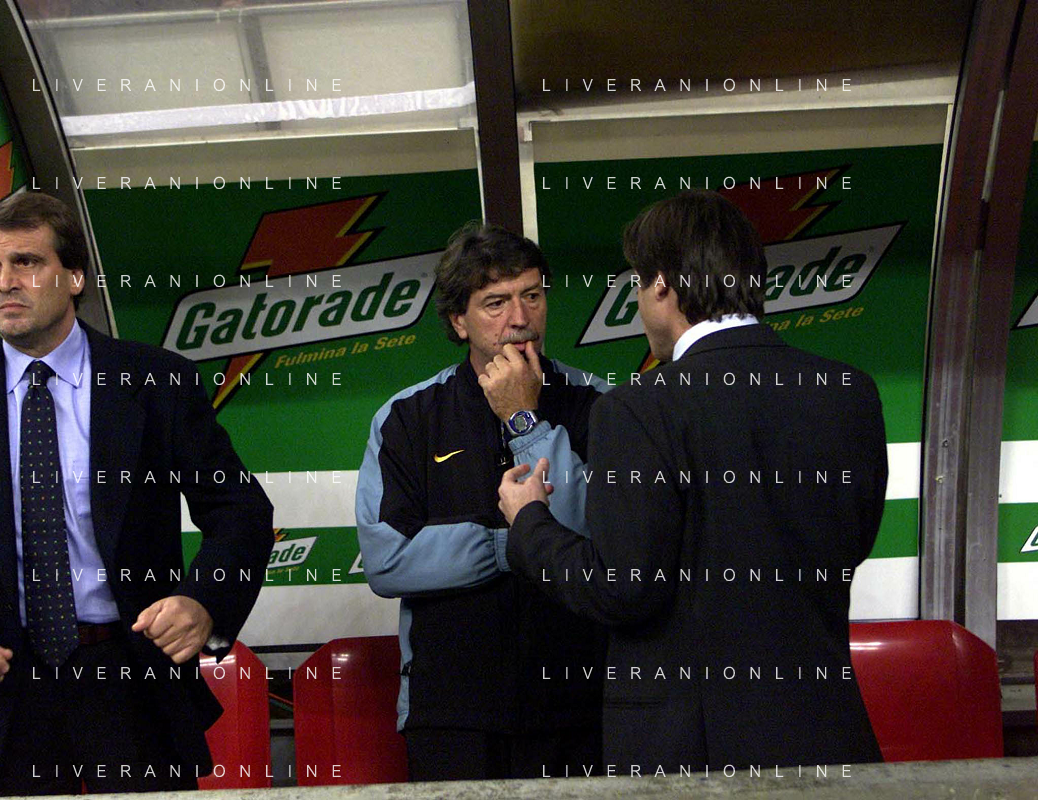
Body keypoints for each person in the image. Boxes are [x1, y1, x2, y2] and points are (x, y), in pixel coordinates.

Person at [0, 191, 274, 796]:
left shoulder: (156, 381)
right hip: (4, 690)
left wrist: (203, 600)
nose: (4, 281)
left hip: (132, 680)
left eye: (26, 262)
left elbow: (240, 512)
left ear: (74, 277)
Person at [498, 190, 886, 774]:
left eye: (636, 283)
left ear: (661, 285)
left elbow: (622, 589)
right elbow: (849, 543)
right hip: (824, 732)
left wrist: (529, 522)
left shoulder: (638, 408)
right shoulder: (849, 392)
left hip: (692, 754)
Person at [355, 221, 609, 781]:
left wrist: (523, 420)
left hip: (578, 705)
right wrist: (511, 544)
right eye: (496, 303)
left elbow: (591, 538)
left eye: (532, 296)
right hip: (452, 713)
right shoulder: (406, 418)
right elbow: (387, 560)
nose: (520, 318)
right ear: (458, 320)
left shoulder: (600, 404)